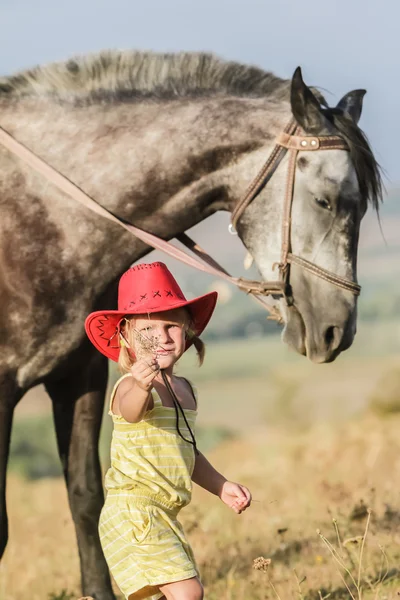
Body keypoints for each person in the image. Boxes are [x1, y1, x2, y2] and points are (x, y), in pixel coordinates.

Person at [85, 261, 252, 600]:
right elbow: (132, 412)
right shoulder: (129, 387)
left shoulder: (185, 390)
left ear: (188, 328)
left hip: (164, 513)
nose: (161, 337)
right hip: (133, 511)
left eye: (171, 326)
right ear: (127, 336)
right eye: (148, 330)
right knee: (189, 592)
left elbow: (185, 452)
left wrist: (221, 486)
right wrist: (143, 387)